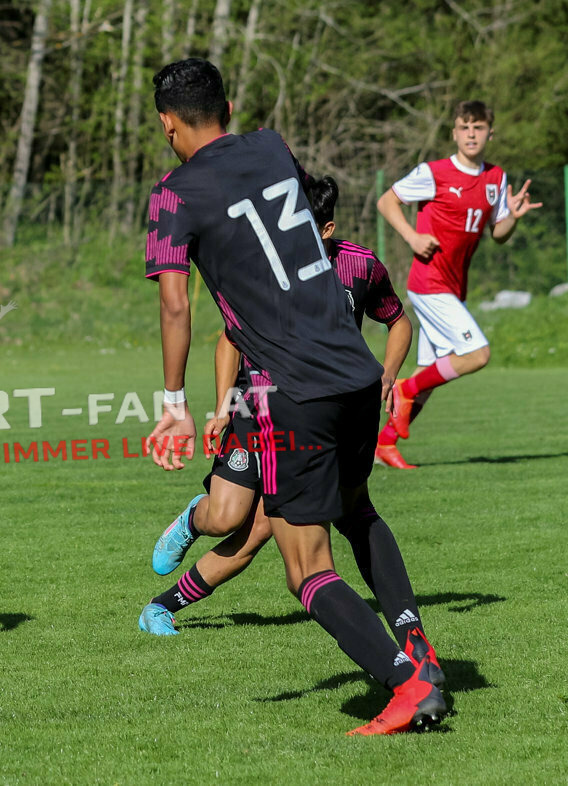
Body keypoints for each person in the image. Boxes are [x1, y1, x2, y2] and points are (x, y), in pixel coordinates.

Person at [143, 59, 444, 735]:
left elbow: (173, 305)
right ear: (227, 104)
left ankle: (408, 685)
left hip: (291, 390)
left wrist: (172, 402)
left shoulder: (173, 194)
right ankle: (412, 635)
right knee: (359, 511)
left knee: (306, 569)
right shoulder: (273, 146)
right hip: (357, 371)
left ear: (167, 123)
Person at [375, 100, 541, 469]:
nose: (471, 133)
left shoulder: (496, 178)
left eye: (478, 127)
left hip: (453, 286)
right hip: (428, 282)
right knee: (477, 354)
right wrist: (412, 238)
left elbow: (498, 234)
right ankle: (403, 390)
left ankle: (383, 444)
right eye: (465, 127)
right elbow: (386, 201)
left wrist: (512, 217)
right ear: (454, 132)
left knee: (429, 377)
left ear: (489, 134)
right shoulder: (433, 172)